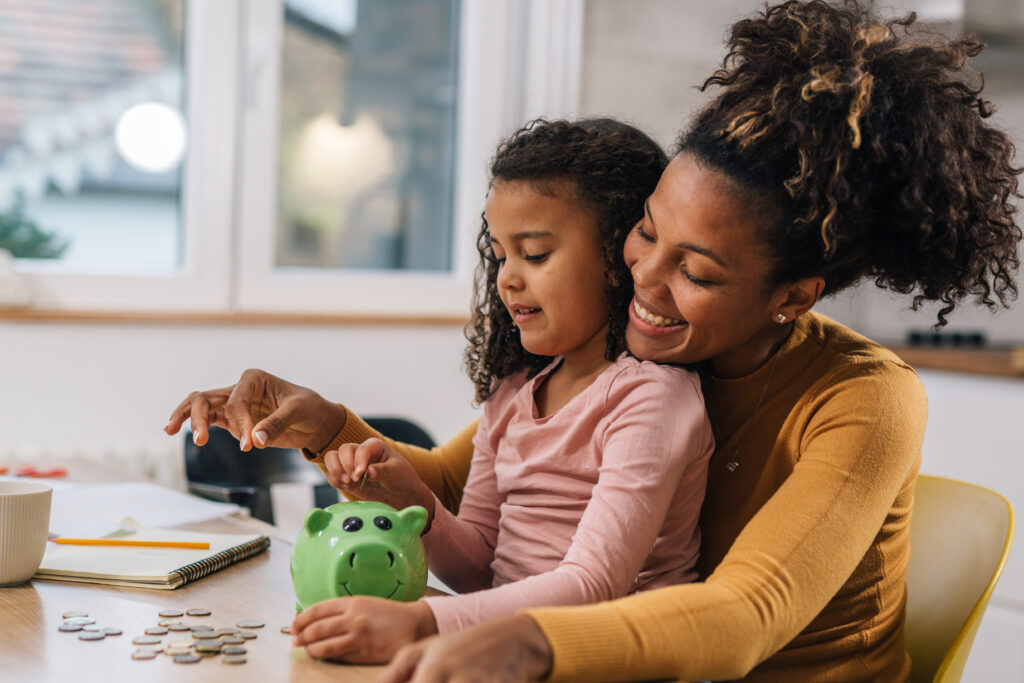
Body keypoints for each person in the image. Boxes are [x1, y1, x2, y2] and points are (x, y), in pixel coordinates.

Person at [166, 1, 1022, 680]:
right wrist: (324, 426)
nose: (643, 279)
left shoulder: (861, 398)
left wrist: (532, 641)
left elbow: (741, 614)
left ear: (789, 297)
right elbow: (463, 492)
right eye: (647, 232)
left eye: (699, 271)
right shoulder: (631, 359)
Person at [169, 119, 715, 662]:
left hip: (613, 664)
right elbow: (482, 571)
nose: (507, 279)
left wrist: (420, 621)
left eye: (536, 254)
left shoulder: (651, 399)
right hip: (510, 654)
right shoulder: (515, 393)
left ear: (622, 255)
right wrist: (411, 501)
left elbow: (592, 586)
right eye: (501, 255)